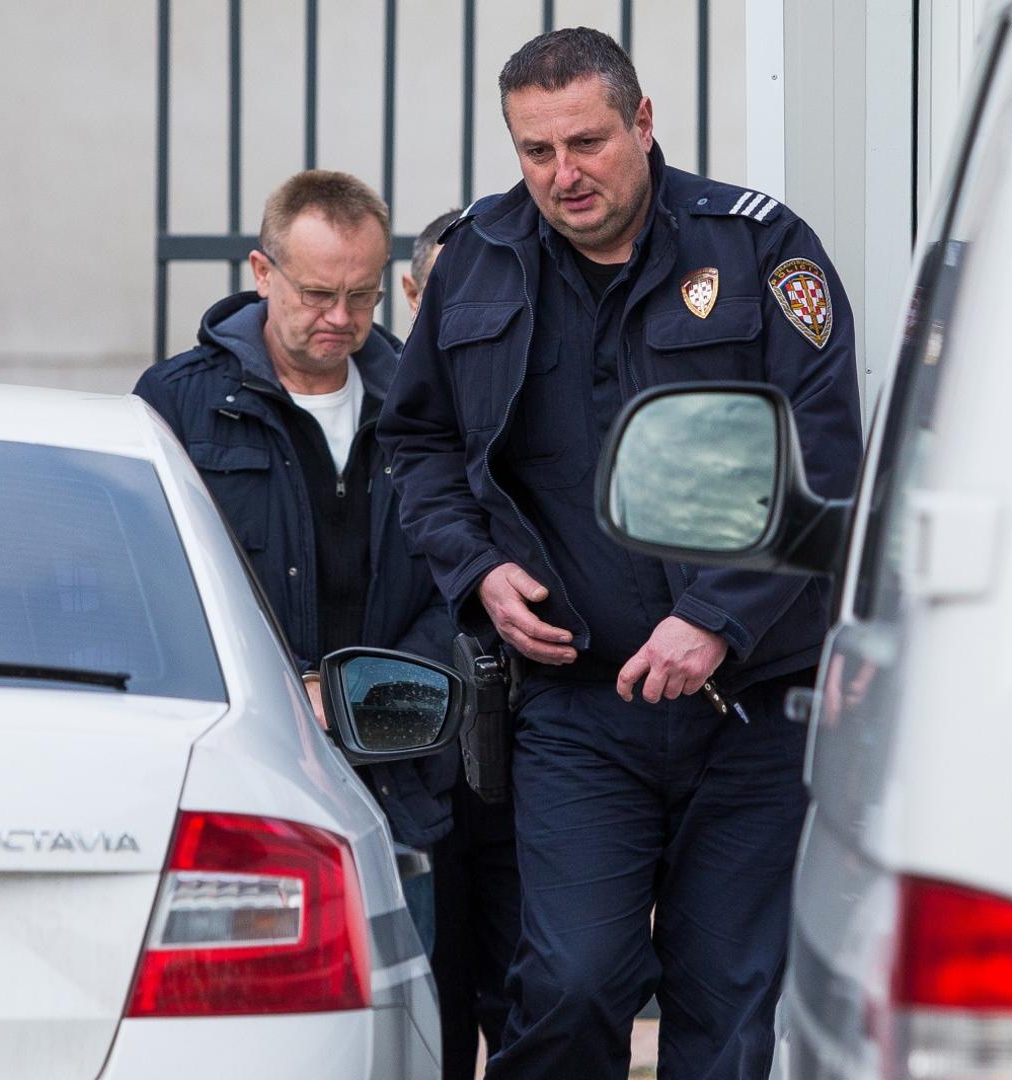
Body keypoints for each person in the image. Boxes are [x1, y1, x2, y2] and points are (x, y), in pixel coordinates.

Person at [379, 28, 863, 1080]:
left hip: (748, 707)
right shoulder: (479, 260)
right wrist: (475, 569)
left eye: (587, 142)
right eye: (536, 150)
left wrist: (717, 618)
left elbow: (824, 461)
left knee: (727, 1006)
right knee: (572, 983)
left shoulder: (759, 249)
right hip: (577, 708)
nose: (564, 173)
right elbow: (417, 442)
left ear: (642, 123)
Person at [134, 170, 458, 952]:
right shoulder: (178, 403)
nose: (340, 318)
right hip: (240, 767)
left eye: (361, 296)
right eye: (316, 294)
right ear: (262, 272)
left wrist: (366, 693)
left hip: (397, 775)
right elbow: (153, 586)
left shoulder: (425, 405)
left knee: (404, 1003)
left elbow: (459, 579)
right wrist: (288, 690)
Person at [403, 207, 524, 1080]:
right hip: (414, 749)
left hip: (524, 745)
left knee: (534, 993)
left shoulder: (532, 395)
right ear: (418, 295)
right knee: (431, 1007)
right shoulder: (391, 409)